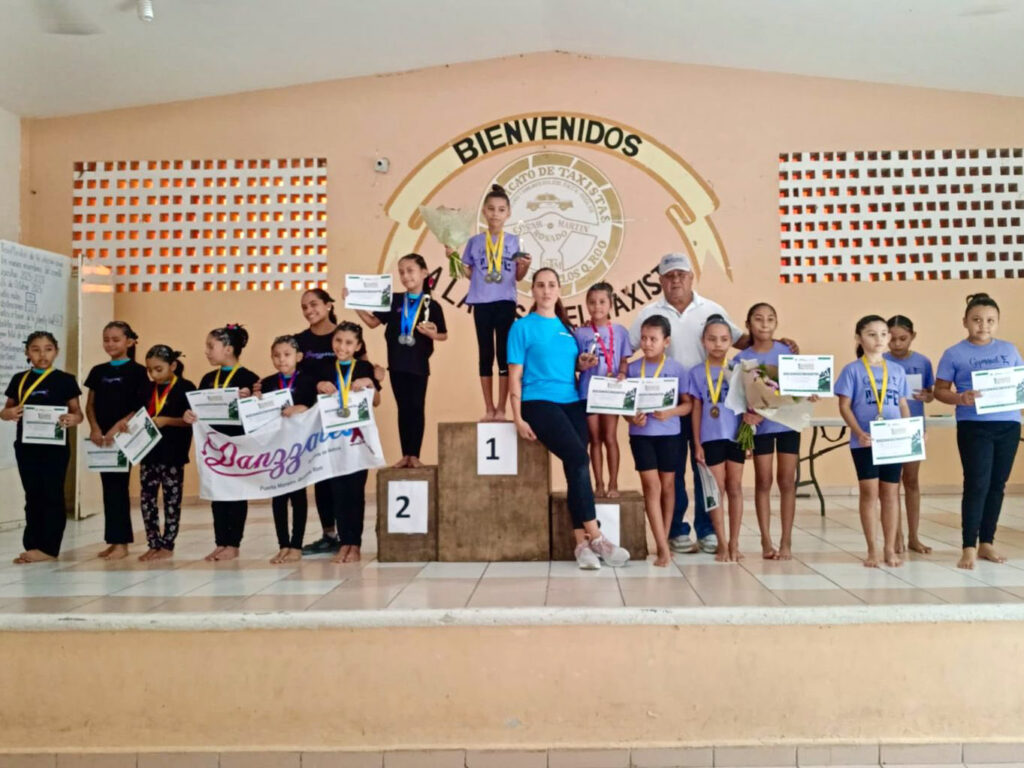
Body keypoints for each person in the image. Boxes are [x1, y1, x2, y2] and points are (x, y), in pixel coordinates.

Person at [508, 267, 629, 570]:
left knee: (575, 466)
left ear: (559, 290)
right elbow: (515, 374)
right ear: (532, 290)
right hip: (538, 402)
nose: (546, 290)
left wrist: (582, 362)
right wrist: (517, 417)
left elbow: (570, 366)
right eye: (540, 285)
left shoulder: (567, 328)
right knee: (578, 458)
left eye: (551, 285)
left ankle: (581, 546)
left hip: (573, 401)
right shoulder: (521, 327)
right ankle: (598, 536)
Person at [628, 253, 745, 555]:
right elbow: (628, 349)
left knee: (705, 467)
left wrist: (780, 344)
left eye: (681, 274)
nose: (675, 279)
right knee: (673, 470)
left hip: (708, 405)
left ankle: (707, 530)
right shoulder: (648, 313)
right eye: (669, 275)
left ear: (692, 277)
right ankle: (677, 529)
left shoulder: (711, 309)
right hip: (666, 407)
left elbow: (738, 339)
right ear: (661, 280)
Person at [933, 293, 1022, 570]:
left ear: (997, 323)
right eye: (977, 320)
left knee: (997, 485)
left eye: (990, 320)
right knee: (977, 483)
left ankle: (987, 542)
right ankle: (968, 545)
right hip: (974, 425)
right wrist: (961, 398)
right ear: (965, 322)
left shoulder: (1009, 350)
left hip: (1008, 424)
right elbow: (940, 391)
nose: (983, 325)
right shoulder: (954, 353)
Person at [354, 253, 448, 468]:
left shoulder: (432, 305)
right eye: (402, 272)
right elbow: (372, 322)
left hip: (418, 366)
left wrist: (433, 335)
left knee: (416, 407)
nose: (405, 276)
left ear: (424, 272)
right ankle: (405, 454)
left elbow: (443, 334)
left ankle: (414, 454)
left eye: (410, 270)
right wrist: (354, 303)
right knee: (403, 408)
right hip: (396, 364)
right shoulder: (394, 300)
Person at [1, 331, 83, 563]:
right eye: (35, 349)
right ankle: (33, 544)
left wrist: (72, 419)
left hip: (55, 448)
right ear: (27, 352)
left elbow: (78, 413)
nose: (42, 354)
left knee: (52, 494)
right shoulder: (19, 379)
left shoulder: (65, 380)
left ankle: (49, 547)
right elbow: (6, 410)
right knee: (33, 494)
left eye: (47, 349)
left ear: (56, 351)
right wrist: (8, 413)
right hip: (26, 447)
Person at [451, 184, 531, 422]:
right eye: (491, 209)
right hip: (481, 303)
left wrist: (525, 266)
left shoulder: (515, 241)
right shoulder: (474, 242)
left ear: (508, 214)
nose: (495, 214)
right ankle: (488, 408)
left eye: (501, 209)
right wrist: (452, 256)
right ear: (484, 212)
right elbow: (468, 273)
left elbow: (518, 276)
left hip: (505, 302)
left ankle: (502, 408)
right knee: (485, 354)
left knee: (504, 354)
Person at [835, 315, 910, 568]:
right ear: (859, 338)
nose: (879, 339)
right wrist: (857, 431)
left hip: (892, 440)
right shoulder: (852, 370)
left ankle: (890, 549)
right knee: (869, 492)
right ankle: (872, 549)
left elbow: (902, 404)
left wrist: (908, 429)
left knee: (891, 493)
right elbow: (844, 406)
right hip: (864, 441)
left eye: (883, 333)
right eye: (871, 334)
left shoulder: (897, 370)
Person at [183, 324, 259, 561]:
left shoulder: (249, 378)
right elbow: (197, 408)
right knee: (217, 493)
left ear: (228, 349)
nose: (206, 351)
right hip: (213, 447)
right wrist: (189, 415)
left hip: (237, 446)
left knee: (236, 493)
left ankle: (234, 543)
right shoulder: (207, 378)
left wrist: (251, 400)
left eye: (210, 346)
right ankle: (220, 541)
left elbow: (257, 414)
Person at [731, 303, 802, 560]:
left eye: (770, 319)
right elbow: (736, 398)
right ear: (748, 324)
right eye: (758, 319)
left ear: (776, 323)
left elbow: (800, 386)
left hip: (788, 425)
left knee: (786, 482)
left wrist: (811, 392)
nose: (764, 324)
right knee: (763, 482)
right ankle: (766, 540)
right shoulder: (740, 359)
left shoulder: (787, 352)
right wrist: (745, 417)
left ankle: (786, 541)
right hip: (760, 429)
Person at [624, 315, 690, 566]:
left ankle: (665, 537)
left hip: (670, 435)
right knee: (652, 488)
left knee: (668, 487)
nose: (647, 343)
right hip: (642, 437)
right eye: (644, 338)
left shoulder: (676, 369)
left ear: (666, 341)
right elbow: (625, 411)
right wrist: (632, 419)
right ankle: (662, 546)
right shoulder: (631, 369)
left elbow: (687, 405)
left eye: (653, 339)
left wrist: (670, 412)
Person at [315, 321, 382, 564]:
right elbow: (313, 400)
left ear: (358, 346)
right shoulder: (323, 366)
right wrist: (318, 385)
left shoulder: (364, 366)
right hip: (332, 442)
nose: (342, 346)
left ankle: (355, 544)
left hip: (357, 442)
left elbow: (376, 401)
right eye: (338, 341)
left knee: (355, 493)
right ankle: (344, 543)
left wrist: (370, 384)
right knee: (338, 493)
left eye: (348, 342)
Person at [83, 320, 148, 560]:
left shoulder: (139, 371)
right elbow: (90, 404)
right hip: (102, 439)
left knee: (119, 488)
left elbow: (140, 406)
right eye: (106, 339)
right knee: (108, 488)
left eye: (116, 339)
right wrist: (95, 428)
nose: (110, 344)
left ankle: (122, 543)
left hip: (125, 438)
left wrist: (118, 427)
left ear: (129, 342)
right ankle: (113, 539)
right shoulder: (98, 371)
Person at [689, 315, 745, 562]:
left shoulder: (739, 369)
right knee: (716, 490)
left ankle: (735, 542)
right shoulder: (696, 372)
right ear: (703, 341)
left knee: (735, 488)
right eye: (712, 339)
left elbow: (748, 406)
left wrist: (749, 437)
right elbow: (697, 408)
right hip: (711, 438)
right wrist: (697, 443)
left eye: (723, 339)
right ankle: (721, 542)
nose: (718, 344)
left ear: (731, 341)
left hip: (736, 437)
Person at [260, 335, 319, 564]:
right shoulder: (266, 384)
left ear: (299, 357)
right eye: (276, 355)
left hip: (300, 448)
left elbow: (317, 408)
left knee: (298, 496)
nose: (281, 360)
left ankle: (297, 545)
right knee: (278, 497)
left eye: (286, 355)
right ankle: (283, 544)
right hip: (276, 449)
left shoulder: (309, 381)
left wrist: (303, 407)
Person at [295, 288, 344, 555]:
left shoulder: (344, 335)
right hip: (311, 418)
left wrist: (374, 377)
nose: (309, 310)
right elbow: (292, 376)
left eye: (313, 304)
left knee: (342, 474)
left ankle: (348, 534)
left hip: (341, 417)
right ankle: (329, 534)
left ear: (328, 305)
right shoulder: (298, 341)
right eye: (304, 307)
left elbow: (361, 367)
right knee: (321, 477)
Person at [137, 345, 195, 561]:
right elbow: (139, 414)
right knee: (147, 499)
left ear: (172, 365)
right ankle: (153, 542)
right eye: (149, 369)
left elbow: (190, 421)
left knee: (171, 500)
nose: (153, 374)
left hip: (173, 454)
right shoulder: (146, 388)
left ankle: (168, 544)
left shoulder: (186, 388)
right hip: (148, 452)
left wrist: (167, 421)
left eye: (158, 369)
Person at [575, 282, 632, 498]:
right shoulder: (580, 333)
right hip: (588, 392)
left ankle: (613, 484)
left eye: (601, 302)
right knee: (594, 439)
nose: (596, 306)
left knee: (610, 437)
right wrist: (582, 364)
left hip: (611, 391)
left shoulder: (620, 331)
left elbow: (624, 360)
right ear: (586, 305)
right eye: (592, 302)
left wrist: (623, 374)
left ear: (610, 304)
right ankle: (598, 484)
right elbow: (575, 363)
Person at [884, 314, 935, 555]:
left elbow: (930, 392)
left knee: (911, 481)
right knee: (890, 483)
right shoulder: (879, 360)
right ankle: (896, 535)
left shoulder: (923, 362)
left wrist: (928, 396)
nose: (897, 344)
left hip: (913, 426)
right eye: (891, 339)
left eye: (903, 338)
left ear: (912, 336)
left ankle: (914, 536)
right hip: (888, 427)